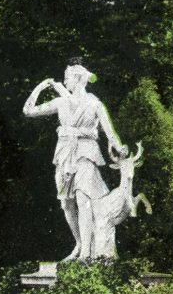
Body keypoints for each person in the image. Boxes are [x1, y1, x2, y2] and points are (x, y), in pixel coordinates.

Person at [23, 59, 128, 261]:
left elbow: (110, 132)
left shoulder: (94, 104)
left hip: (86, 152)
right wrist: (39, 87)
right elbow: (29, 111)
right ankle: (80, 244)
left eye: (67, 78)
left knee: (83, 198)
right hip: (64, 154)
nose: (64, 81)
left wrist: (119, 147)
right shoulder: (61, 102)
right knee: (66, 204)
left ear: (78, 79)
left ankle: (87, 254)